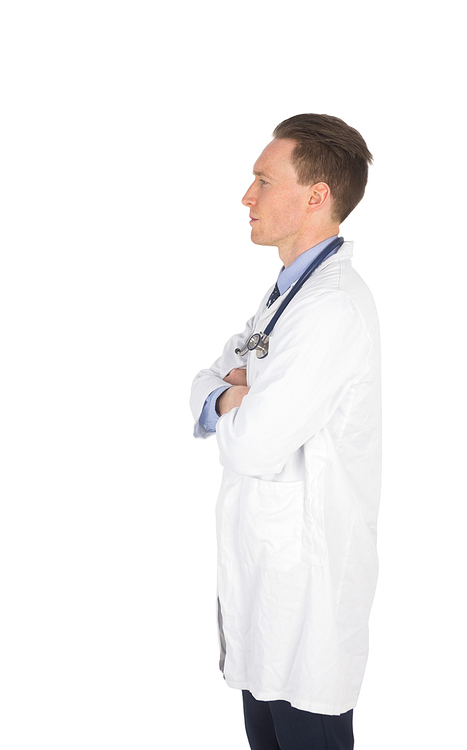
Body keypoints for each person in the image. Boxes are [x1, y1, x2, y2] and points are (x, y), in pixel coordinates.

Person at [190, 114, 381, 750]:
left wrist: (235, 398)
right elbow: (205, 381)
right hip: (264, 597)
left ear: (316, 197)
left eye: (263, 180)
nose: (248, 196)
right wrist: (233, 394)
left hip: (305, 606)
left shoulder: (331, 308)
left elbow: (250, 445)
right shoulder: (284, 300)